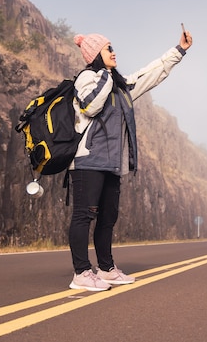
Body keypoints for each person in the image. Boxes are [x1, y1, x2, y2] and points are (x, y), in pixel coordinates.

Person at [67, 28, 193, 291]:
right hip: (87, 162)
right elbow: (90, 106)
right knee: (83, 216)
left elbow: (151, 73)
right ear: (96, 56)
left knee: (107, 218)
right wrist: (105, 73)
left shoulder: (120, 86)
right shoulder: (87, 79)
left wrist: (178, 51)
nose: (114, 52)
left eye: (113, 47)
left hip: (112, 165)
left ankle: (106, 268)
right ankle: (81, 273)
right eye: (108, 49)